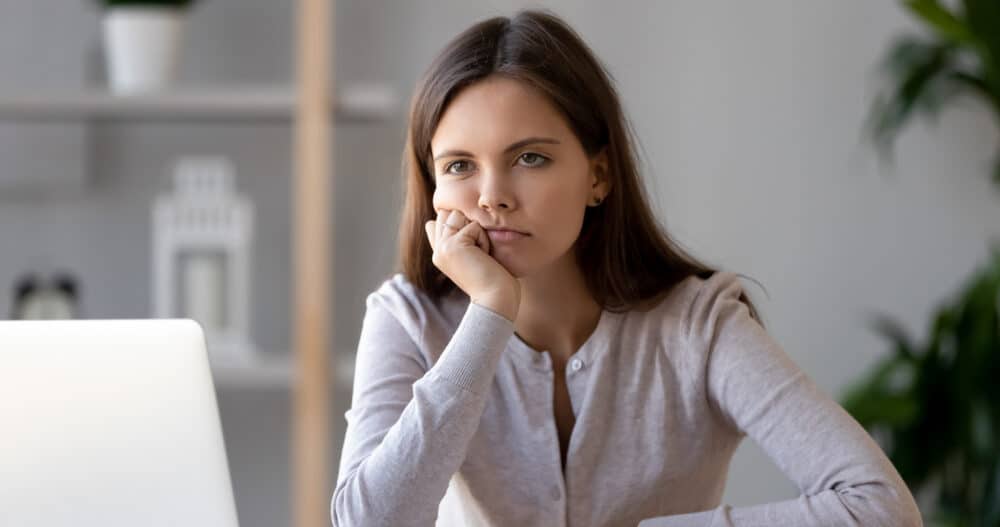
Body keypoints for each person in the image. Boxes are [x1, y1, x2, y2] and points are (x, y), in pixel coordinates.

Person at [332, 9, 922, 527]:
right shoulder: (407, 318)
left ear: (599, 175)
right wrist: (489, 312)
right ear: (433, 186)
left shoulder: (700, 325)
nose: (492, 197)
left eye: (530, 157)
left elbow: (879, 507)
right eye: (460, 165)